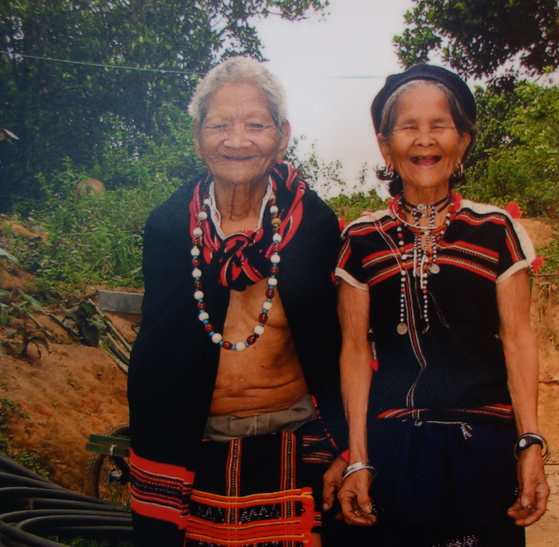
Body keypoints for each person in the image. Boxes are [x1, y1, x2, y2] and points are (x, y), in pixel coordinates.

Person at [127, 57, 348, 546]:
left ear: (283, 135)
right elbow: (159, 350)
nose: (237, 140)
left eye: (255, 124)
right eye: (220, 125)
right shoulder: (169, 227)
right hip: (190, 441)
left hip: (296, 434)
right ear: (197, 136)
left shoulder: (310, 226)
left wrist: (350, 444)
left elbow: (334, 342)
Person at [334, 64, 550, 546]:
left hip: (485, 449)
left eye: (439, 125)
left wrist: (530, 443)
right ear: (386, 145)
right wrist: (360, 457)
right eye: (408, 126)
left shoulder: (496, 231)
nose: (424, 139)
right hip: (396, 449)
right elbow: (353, 351)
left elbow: (517, 340)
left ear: (464, 141)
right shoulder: (363, 238)